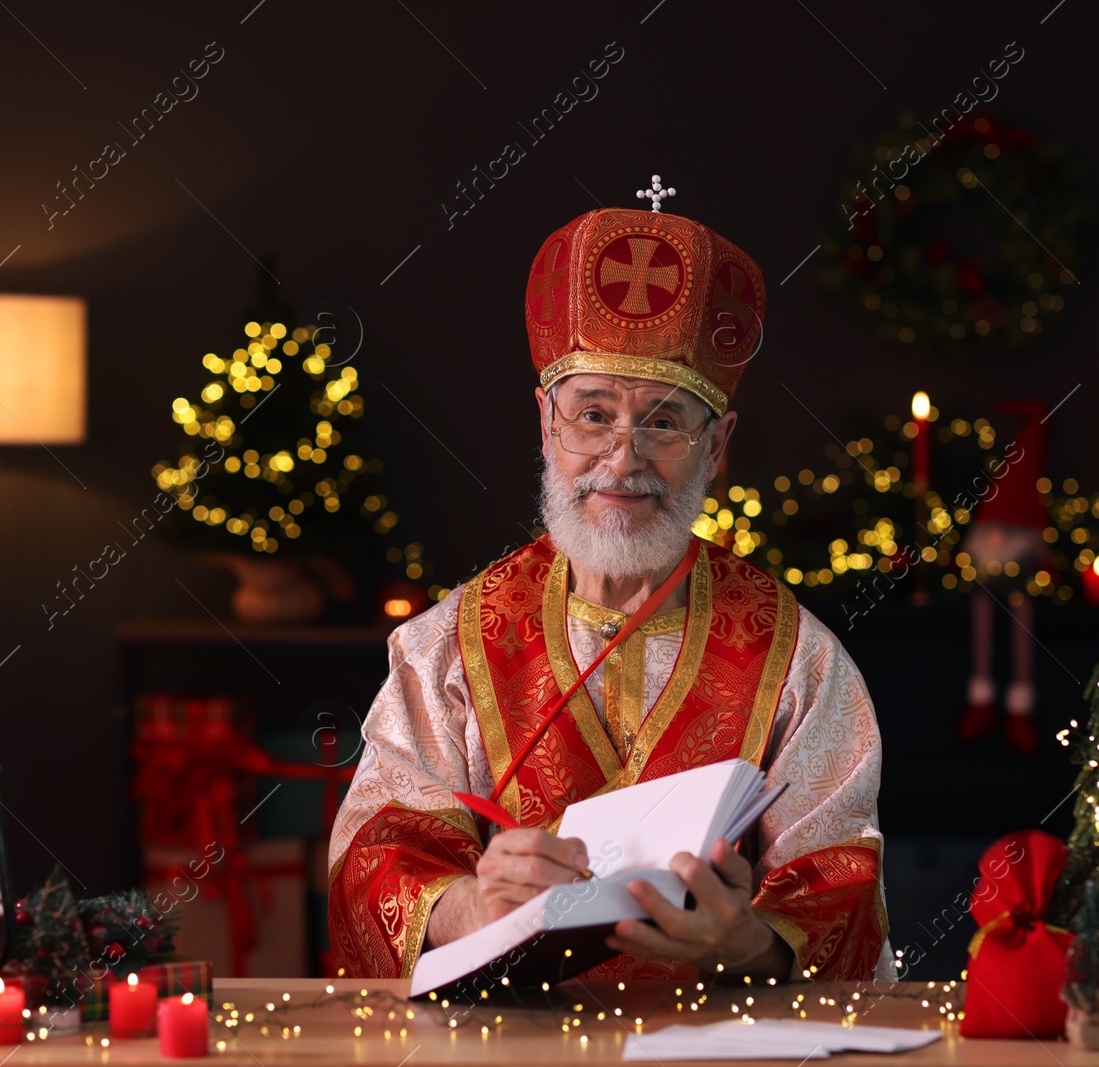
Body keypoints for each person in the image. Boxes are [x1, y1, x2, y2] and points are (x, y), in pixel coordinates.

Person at [328, 198, 893, 985]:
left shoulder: (801, 659)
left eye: (664, 424)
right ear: (546, 423)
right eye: (593, 414)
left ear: (718, 444)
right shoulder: (444, 646)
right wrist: (473, 906)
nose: (622, 459)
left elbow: (843, 887)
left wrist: (750, 943)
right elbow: (374, 856)